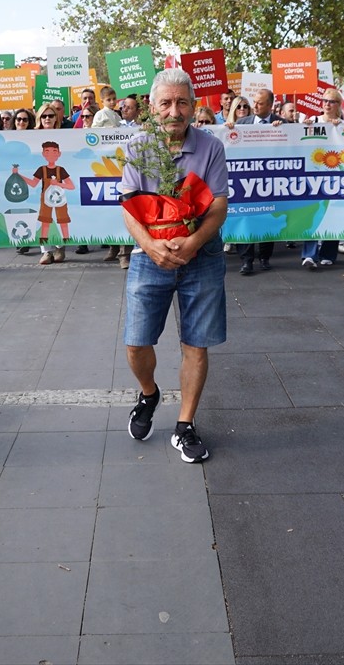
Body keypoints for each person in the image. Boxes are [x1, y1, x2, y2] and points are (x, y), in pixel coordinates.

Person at [121, 69, 228, 463]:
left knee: (195, 344)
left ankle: (185, 426)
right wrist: (151, 247)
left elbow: (218, 205)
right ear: (152, 108)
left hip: (202, 256)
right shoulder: (137, 147)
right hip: (150, 257)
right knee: (136, 341)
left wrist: (194, 241)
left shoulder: (211, 148)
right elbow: (129, 207)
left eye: (182, 102)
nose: (174, 111)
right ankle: (149, 393)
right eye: (165, 103)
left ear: (194, 106)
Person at [233, 88, 281, 274]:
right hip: (245, 179)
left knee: (267, 216)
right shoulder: (241, 123)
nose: (255, 106)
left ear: (270, 105)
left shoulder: (281, 123)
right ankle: (246, 260)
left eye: (260, 103)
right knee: (245, 217)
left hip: (269, 181)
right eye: (255, 102)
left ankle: (265, 257)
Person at [300, 87, 344, 270]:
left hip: (335, 173)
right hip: (314, 173)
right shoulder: (312, 122)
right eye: (325, 101)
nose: (327, 104)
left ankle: (328, 253)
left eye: (332, 101)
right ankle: (309, 254)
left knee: (332, 211)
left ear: (338, 105)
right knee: (311, 211)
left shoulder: (343, 124)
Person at [13, 141, 75, 265]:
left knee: (63, 221)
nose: (51, 154)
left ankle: (60, 248)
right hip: (45, 198)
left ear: (59, 154)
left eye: (54, 151)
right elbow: (33, 183)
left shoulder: (61, 170)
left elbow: (71, 186)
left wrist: (58, 184)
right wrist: (18, 175)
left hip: (59, 198)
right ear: (43, 154)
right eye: (47, 151)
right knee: (45, 221)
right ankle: (46, 251)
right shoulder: (41, 169)